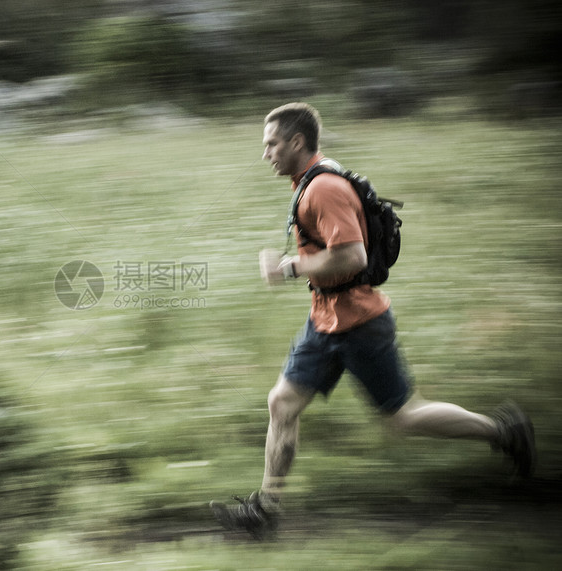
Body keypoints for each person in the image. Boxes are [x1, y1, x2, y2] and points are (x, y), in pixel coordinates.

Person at [209, 102, 536, 539]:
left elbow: (353, 255)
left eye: (271, 143)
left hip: (360, 323)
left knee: (403, 417)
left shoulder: (322, 188)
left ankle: (505, 431)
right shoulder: (311, 180)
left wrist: (287, 267)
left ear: (297, 142)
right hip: (324, 320)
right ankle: (266, 510)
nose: (265, 153)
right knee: (281, 403)